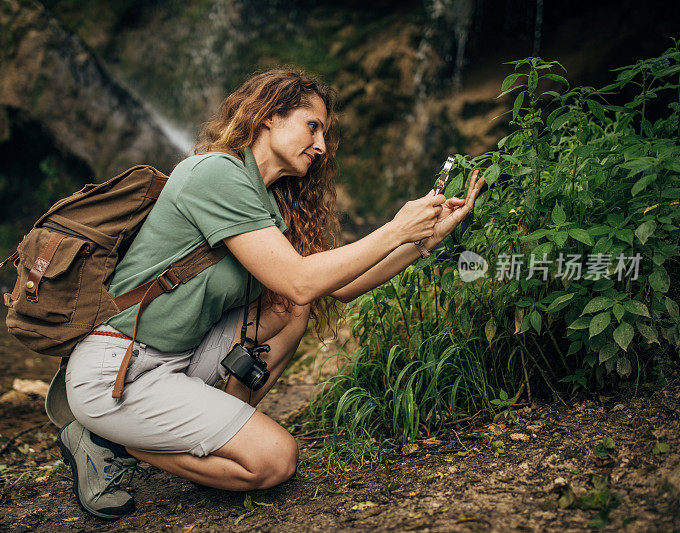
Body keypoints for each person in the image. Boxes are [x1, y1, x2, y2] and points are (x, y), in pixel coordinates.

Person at [56, 69, 485, 520]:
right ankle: (107, 440)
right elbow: (300, 277)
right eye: (312, 126)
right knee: (276, 461)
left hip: (175, 359)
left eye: (324, 133)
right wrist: (394, 227)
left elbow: (336, 288)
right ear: (268, 117)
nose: (320, 146)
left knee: (290, 308)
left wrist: (421, 242)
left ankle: (225, 422)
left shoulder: (267, 201)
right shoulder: (214, 174)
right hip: (117, 371)